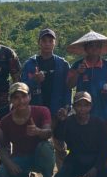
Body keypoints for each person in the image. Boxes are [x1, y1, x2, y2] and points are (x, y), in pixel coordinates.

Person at [21, 28, 71, 169]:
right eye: (44, 41)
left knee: (60, 145)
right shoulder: (30, 64)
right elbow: (22, 88)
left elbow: (67, 89)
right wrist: (34, 81)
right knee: (34, 144)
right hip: (36, 111)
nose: (47, 44)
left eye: (51, 41)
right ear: (39, 43)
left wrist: (67, 107)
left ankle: (62, 174)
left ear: (55, 43)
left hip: (57, 111)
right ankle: (31, 173)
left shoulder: (63, 64)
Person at [0, 82, 55, 177]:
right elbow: (1, 146)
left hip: (39, 155)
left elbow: (48, 133)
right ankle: (24, 176)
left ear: (30, 97)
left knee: (46, 147)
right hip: (20, 158)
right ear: (10, 100)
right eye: (16, 98)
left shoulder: (42, 111)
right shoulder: (6, 120)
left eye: (24, 96)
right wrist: (9, 163)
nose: (21, 101)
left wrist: (38, 131)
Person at [51, 92, 107, 177]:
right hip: (75, 159)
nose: (82, 109)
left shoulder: (98, 123)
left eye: (86, 105)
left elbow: (104, 150)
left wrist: (96, 168)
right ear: (74, 107)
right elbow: (59, 136)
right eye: (79, 105)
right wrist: (62, 121)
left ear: (91, 107)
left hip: (94, 159)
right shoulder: (69, 121)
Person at [66, 31, 107, 137]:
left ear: (101, 49)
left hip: (104, 112)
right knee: (84, 140)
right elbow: (69, 85)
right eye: (91, 46)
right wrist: (78, 73)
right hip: (83, 114)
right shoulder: (77, 65)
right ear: (85, 49)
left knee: (104, 143)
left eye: (97, 46)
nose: (94, 48)